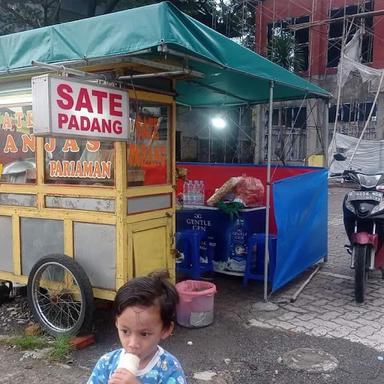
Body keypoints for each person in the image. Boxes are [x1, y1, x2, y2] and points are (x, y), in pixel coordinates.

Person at [87, 270, 186, 384]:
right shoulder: (107, 363)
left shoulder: (169, 369)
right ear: (116, 323)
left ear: (165, 330)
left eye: (144, 334)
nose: (133, 344)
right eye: (125, 331)